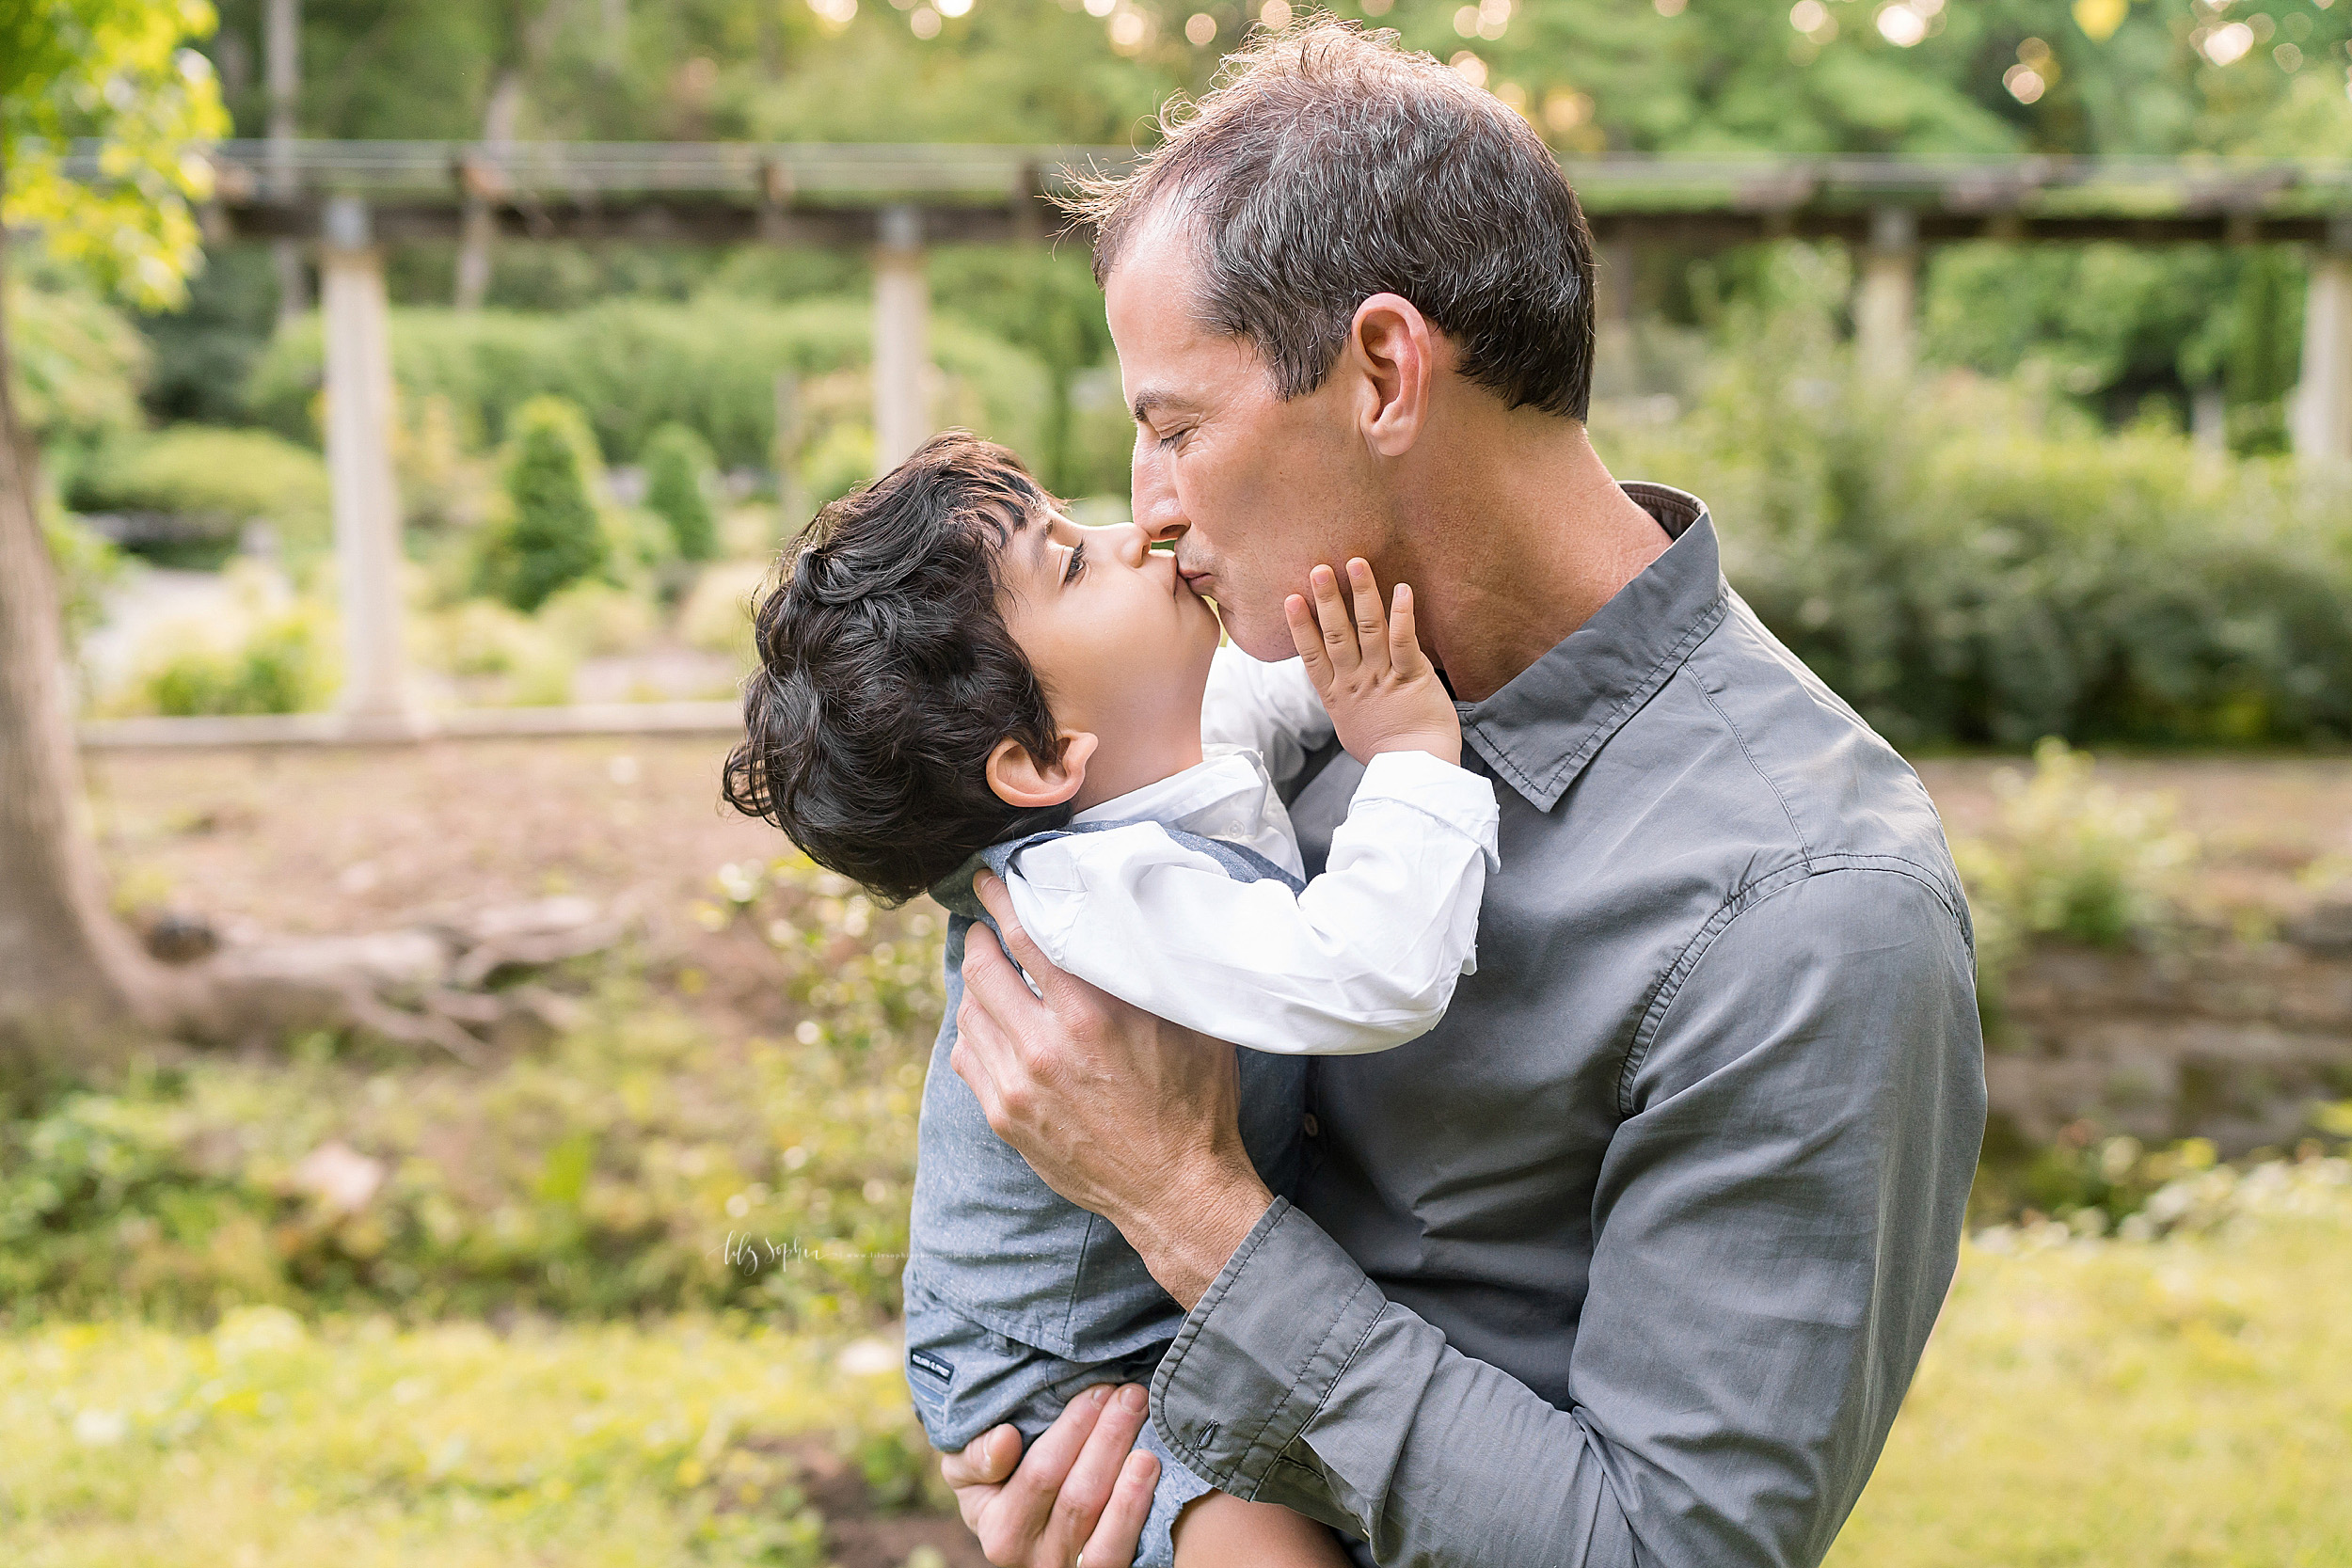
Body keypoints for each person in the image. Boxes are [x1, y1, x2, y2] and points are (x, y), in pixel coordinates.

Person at [935, 21, 1990, 1568]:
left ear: (1379, 370)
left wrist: (1190, 1215)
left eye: (1175, 430)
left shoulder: (1811, 910)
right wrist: (1045, 1441)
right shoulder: (1266, 709)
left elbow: (1667, 1552)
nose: (1148, 514)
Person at [721, 432, 1503, 1566]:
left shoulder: (1144, 759)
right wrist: (1412, 748)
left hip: (1158, 1301)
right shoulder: (1094, 898)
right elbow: (1374, 969)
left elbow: (1275, 698)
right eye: (1073, 562)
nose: (1135, 529)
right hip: (1068, 1373)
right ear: (1041, 762)